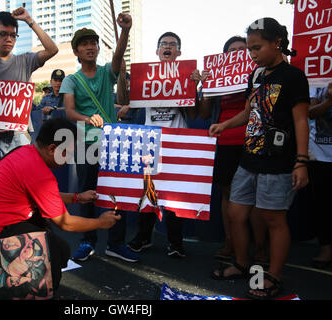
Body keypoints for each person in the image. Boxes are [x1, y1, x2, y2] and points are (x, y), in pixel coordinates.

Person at [0, 118, 120, 293]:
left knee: (49, 234)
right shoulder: (38, 172)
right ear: (52, 149)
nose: (71, 159)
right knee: (57, 252)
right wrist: (101, 223)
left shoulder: (25, 152)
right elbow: (66, 223)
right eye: (69, 153)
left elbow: (44, 196)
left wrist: (77, 197)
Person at [209, 17, 310, 300]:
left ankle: (273, 277)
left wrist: (301, 161)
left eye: (256, 47)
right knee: (236, 213)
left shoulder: (293, 77)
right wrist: (225, 125)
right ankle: (242, 264)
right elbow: (248, 112)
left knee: (274, 219)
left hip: (278, 161)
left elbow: (301, 121)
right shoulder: (256, 75)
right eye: (250, 48)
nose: (251, 54)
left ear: (276, 44)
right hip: (248, 158)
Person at [60, 14, 138, 263]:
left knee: (118, 193)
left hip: (113, 143)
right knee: (87, 193)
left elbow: (117, 57)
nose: (90, 46)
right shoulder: (71, 80)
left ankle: (116, 243)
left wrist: (124, 31)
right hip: (86, 144)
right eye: (84, 44)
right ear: (76, 51)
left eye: (93, 42)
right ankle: (87, 240)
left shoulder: (107, 72)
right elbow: (70, 112)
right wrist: (87, 117)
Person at [194, 36, 269, 263]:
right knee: (227, 193)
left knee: (256, 195)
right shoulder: (217, 79)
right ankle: (230, 242)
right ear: (225, 57)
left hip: (254, 139)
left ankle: (260, 247)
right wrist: (206, 87)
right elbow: (205, 114)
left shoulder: (260, 74)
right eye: (232, 50)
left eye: (242, 49)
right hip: (225, 141)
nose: (237, 53)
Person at [127, 32, 199, 258]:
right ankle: (143, 238)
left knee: (175, 195)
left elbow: (195, 115)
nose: (168, 47)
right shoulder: (144, 79)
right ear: (157, 51)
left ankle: (175, 243)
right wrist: (126, 106)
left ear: (179, 52)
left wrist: (193, 88)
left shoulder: (188, 78)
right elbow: (129, 99)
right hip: (150, 142)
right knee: (148, 192)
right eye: (163, 44)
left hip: (177, 143)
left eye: (172, 44)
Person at [0, 8, 58, 176]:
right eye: (3, 34)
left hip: (17, 133)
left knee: (21, 181)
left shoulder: (25, 60)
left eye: (13, 35)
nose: (9, 39)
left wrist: (29, 20)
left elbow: (52, 50)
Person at [307, 82, 332, 269]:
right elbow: (310, 112)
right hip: (321, 153)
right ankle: (326, 248)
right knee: (323, 204)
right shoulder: (317, 78)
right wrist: (330, 101)